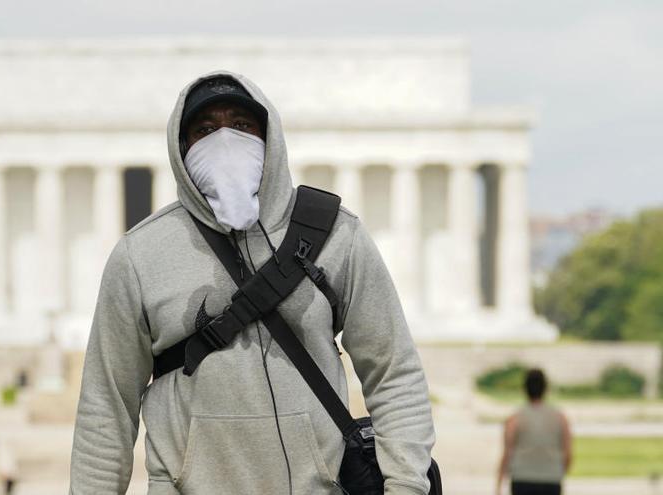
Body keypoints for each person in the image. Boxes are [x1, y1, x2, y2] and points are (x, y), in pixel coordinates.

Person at [69, 71, 435, 494]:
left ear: (270, 138)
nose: (224, 141)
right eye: (205, 130)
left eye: (242, 125)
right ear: (182, 149)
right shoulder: (140, 255)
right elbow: (105, 408)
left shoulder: (336, 234)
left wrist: (407, 486)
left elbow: (394, 373)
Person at [496, 368, 572, 495]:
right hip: (551, 481)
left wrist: (498, 485)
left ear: (524, 389)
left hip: (522, 480)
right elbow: (568, 454)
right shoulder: (560, 418)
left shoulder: (514, 419)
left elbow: (507, 454)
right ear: (546, 388)